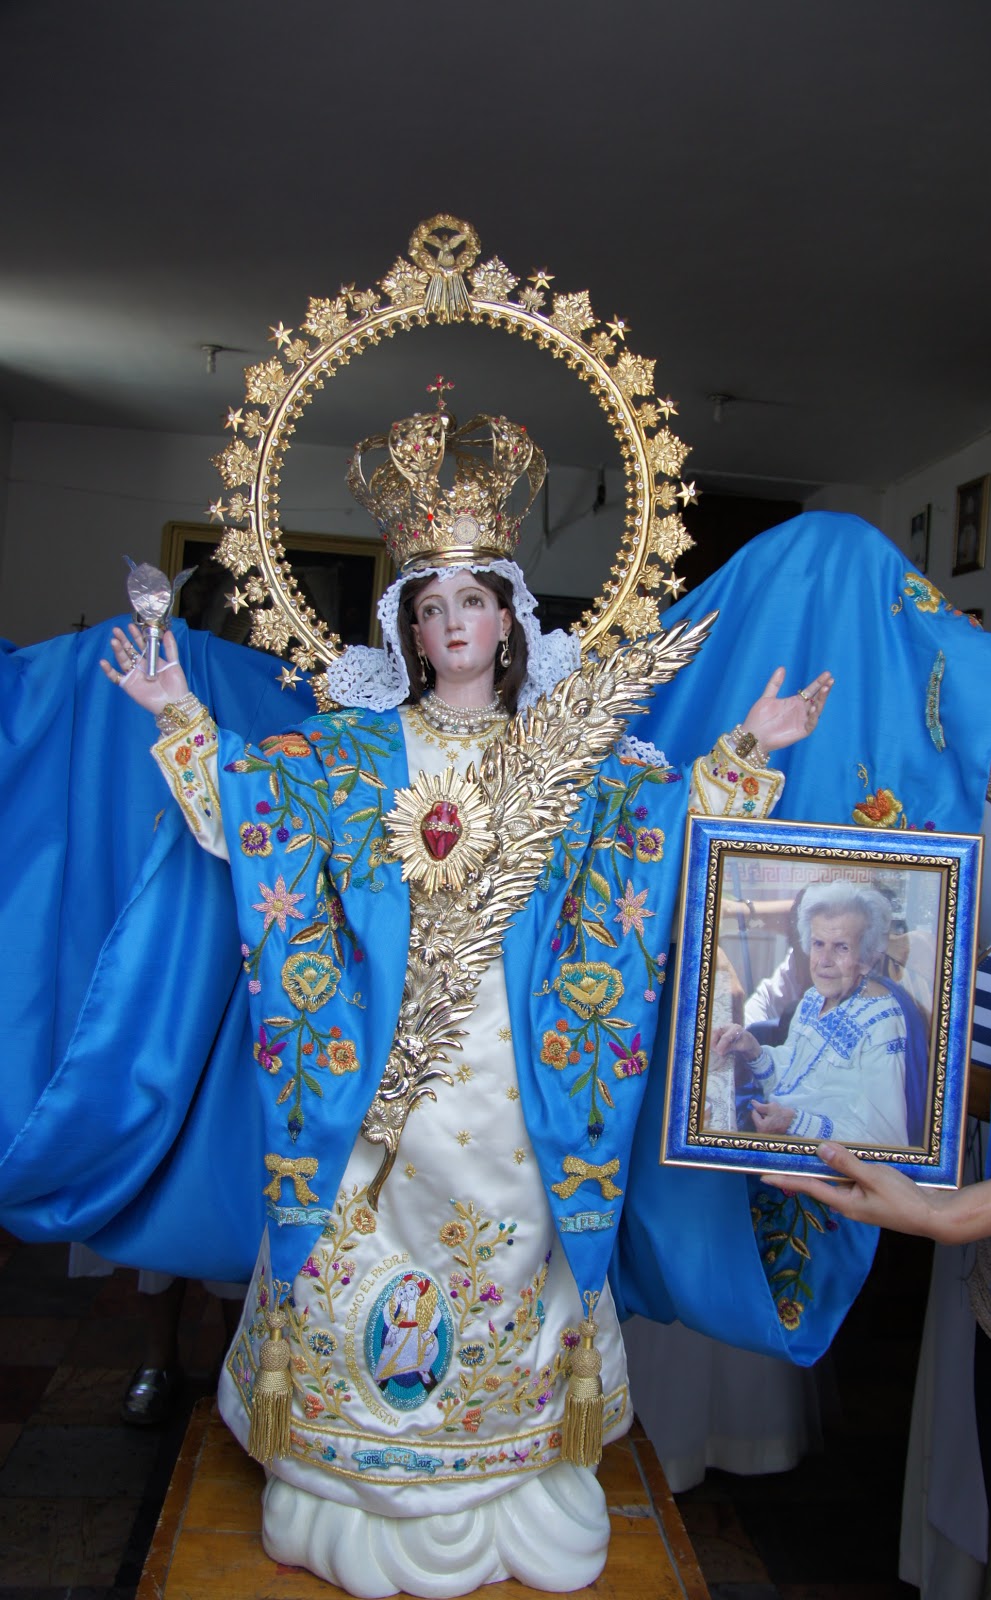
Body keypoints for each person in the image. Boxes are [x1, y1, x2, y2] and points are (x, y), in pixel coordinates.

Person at [98, 402, 837, 1598]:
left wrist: (748, 743)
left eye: (471, 603)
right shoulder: (354, 748)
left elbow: (641, 833)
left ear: (508, 615)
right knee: (350, 1230)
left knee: (512, 1241)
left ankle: (505, 1466)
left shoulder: (565, 749)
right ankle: (348, 1470)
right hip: (376, 1055)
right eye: (428, 607)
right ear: (407, 624)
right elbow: (257, 812)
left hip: (516, 1065)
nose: (451, 626)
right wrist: (180, 713)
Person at [777, 680, 991, 1600]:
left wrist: (949, 1212)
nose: (830, 961)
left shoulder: (888, 1015)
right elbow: (981, 698)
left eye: (844, 947)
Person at [708, 881, 910, 1145]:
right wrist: (753, 1048)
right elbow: (792, 1075)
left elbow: (886, 1140)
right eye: (818, 943)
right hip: (780, 1132)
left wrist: (795, 1123)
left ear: (868, 956)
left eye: (841, 947)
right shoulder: (815, 997)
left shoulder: (882, 1025)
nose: (824, 960)